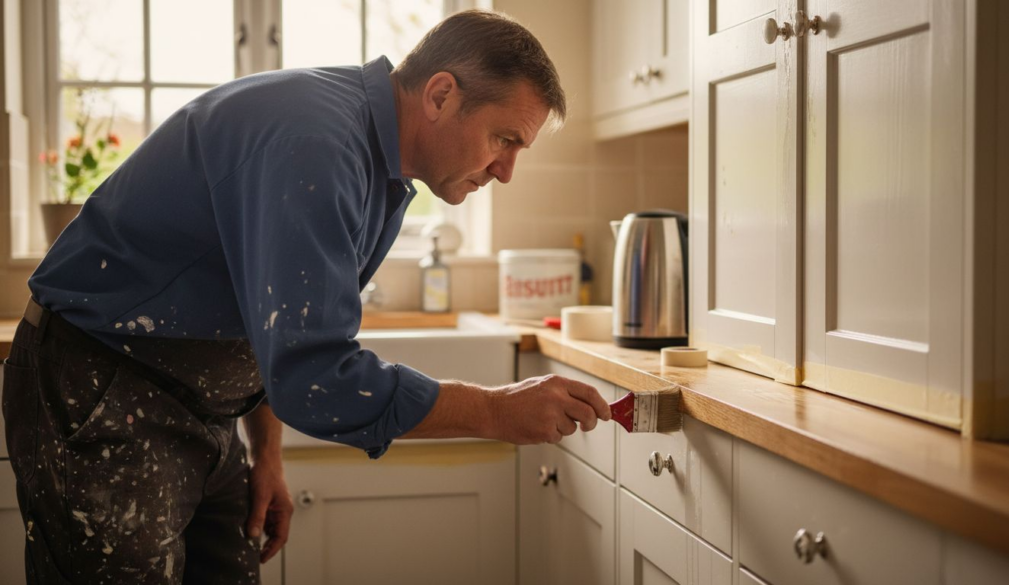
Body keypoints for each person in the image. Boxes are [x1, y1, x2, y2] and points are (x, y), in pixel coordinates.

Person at [1, 9, 611, 584]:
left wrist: (267, 453)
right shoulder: (318, 141)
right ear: (441, 94)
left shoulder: (378, 166)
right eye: (504, 139)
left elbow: (270, 326)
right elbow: (316, 374)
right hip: (102, 383)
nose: (505, 171)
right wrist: (495, 412)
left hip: (201, 406)